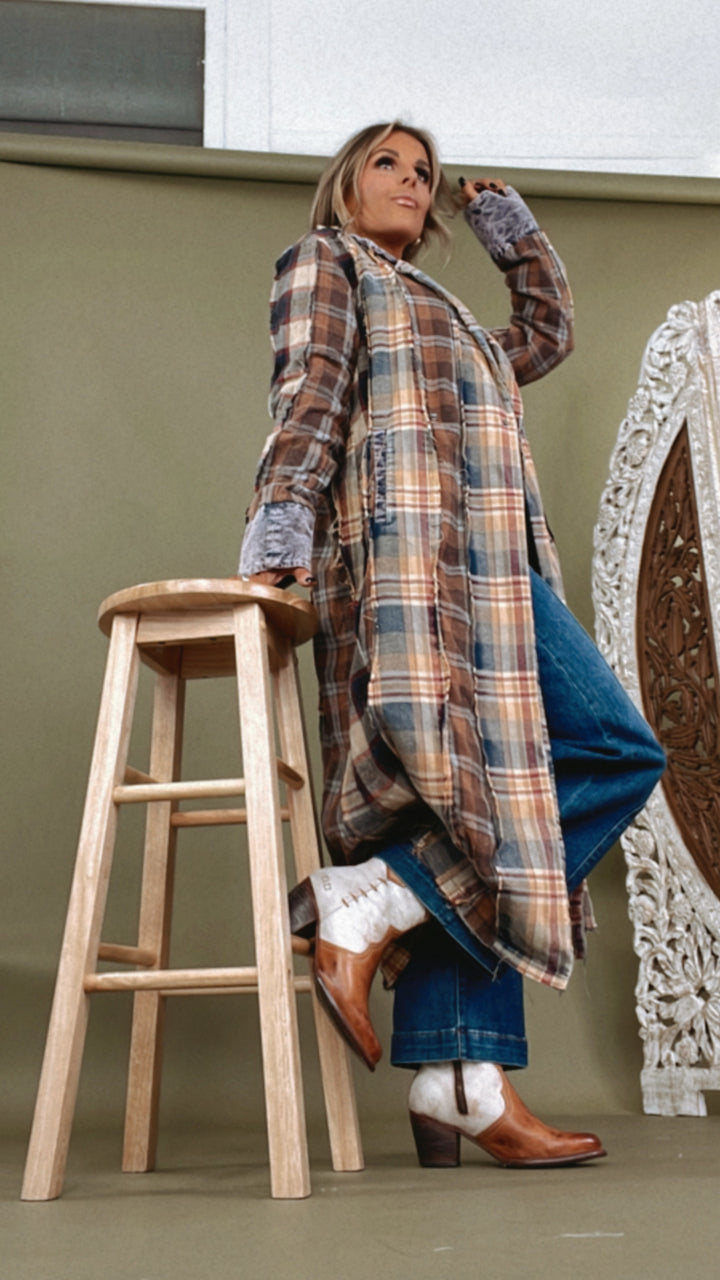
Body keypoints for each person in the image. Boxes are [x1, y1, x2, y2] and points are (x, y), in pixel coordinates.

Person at [238, 121, 665, 1169]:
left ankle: (437, 1030)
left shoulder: (451, 317)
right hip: (413, 568)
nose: (411, 181)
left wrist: (507, 230)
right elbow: (310, 393)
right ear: (345, 181)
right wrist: (282, 525)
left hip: (496, 576)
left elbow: (547, 333)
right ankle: (415, 973)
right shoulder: (329, 264)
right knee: (566, 768)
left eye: (423, 172)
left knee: (522, 785)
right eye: (388, 163)